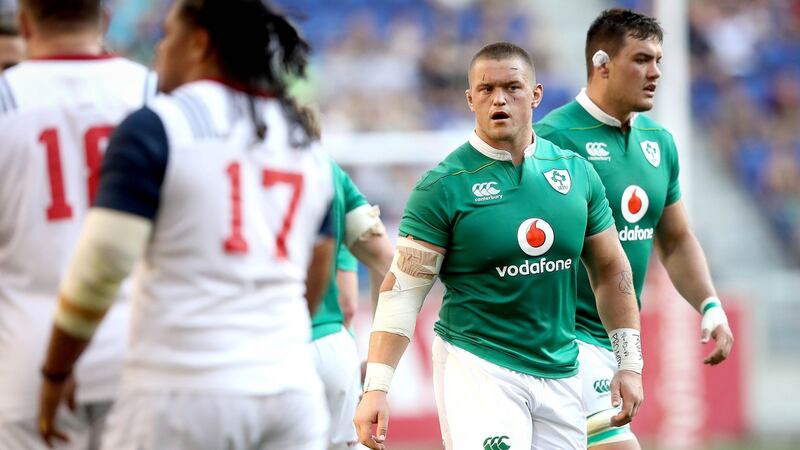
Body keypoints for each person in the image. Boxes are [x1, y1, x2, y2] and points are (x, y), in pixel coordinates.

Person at [36, 1, 334, 449]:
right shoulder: (300, 137)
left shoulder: (158, 125)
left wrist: (55, 371)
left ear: (199, 44)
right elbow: (317, 269)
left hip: (184, 390)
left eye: (168, 33)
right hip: (291, 391)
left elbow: (101, 266)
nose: (159, 48)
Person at [354, 42, 644, 450]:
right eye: (486, 90)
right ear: (470, 99)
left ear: (536, 94)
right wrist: (377, 388)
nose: (499, 99)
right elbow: (402, 291)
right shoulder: (442, 187)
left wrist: (630, 363)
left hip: (561, 370)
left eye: (512, 87)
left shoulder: (576, 174)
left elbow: (613, 269)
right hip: (480, 365)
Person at [535, 9, 735, 449]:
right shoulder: (551, 142)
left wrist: (709, 303)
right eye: (642, 59)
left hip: (613, 341)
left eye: (658, 60)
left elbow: (676, 238)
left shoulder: (658, 143)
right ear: (602, 64)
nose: (656, 72)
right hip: (562, 339)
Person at [0, 0, 151, 448]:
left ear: (25, 20)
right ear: (105, 19)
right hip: (138, 352)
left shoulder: (6, 98)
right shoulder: (153, 93)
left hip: (26, 352)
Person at [312, 160, 394, 450]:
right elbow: (386, 262)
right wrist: (375, 364)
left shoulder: (220, 165)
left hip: (256, 351)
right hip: (329, 348)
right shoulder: (326, 170)